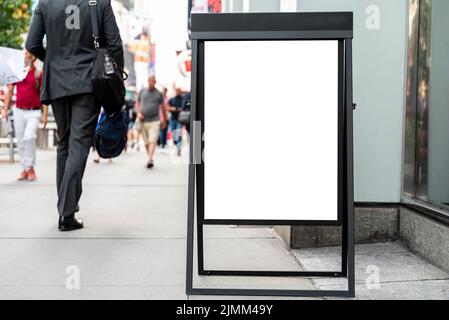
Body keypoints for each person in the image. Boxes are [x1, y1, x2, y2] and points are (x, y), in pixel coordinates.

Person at [26, 0, 124, 231]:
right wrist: (115, 76)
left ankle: (65, 207)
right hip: (88, 81)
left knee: (64, 143)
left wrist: (52, 60)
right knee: (79, 144)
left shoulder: (45, 3)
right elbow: (115, 45)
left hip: (57, 82)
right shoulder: (99, 2)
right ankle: (67, 213)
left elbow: (32, 43)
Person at [1, 50, 48, 181]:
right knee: (21, 141)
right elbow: (10, 91)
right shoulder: (17, 73)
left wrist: (44, 114)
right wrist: (5, 109)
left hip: (34, 111)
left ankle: (30, 167)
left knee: (29, 137)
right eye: (25, 54)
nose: (26, 56)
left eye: (29, 54)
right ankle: (24, 169)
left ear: (33, 58)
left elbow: (44, 96)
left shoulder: (39, 73)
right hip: (19, 111)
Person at [135, 75, 165, 169]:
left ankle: (149, 159)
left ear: (155, 82)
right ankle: (150, 158)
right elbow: (137, 103)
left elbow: (162, 107)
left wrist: (163, 118)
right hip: (143, 120)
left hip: (154, 121)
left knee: (153, 140)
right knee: (146, 143)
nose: (151, 82)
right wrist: (138, 113)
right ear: (148, 81)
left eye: (153, 81)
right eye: (150, 81)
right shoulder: (142, 91)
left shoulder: (159, 94)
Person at [166, 86, 184, 156]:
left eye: (178, 90)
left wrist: (179, 109)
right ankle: (177, 145)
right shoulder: (172, 99)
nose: (177, 92)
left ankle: (179, 148)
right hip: (173, 119)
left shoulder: (183, 99)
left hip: (180, 119)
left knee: (179, 134)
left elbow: (186, 106)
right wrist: (173, 109)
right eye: (176, 91)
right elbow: (167, 107)